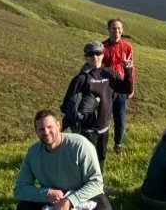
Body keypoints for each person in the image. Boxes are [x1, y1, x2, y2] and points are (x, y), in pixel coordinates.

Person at [13, 110, 112, 210]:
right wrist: (47, 194)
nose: (46, 132)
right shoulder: (33, 153)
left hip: (81, 195)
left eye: (49, 127)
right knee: (24, 206)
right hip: (52, 198)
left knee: (104, 207)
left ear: (58, 125)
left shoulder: (80, 146)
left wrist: (71, 200)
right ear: (36, 131)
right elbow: (20, 189)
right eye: (41, 129)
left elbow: (96, 183)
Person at [63, 41, 134, 170]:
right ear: (86, 57)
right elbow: (67, 106)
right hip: (86, 131)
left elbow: (127, 89)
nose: (95, 57)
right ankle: (84, 188)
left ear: (103, 55)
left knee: (101, 159)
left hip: (104, 129)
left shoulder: (110, 74)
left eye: (98, 53)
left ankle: (98, 186)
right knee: (86, 163)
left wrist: (128, 71)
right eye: (91, 54)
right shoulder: (81, 79)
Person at [102, 18, 135, 153]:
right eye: (114, 28)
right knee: (104, 117)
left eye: (119, 28)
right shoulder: (102, 47)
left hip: (121, 86)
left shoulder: (127, 47)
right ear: (109, 29)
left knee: (120, 117)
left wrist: (131, 86)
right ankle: (102, 143)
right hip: (107, 88)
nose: (117, 31)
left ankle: (118, 144)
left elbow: (132, 67)